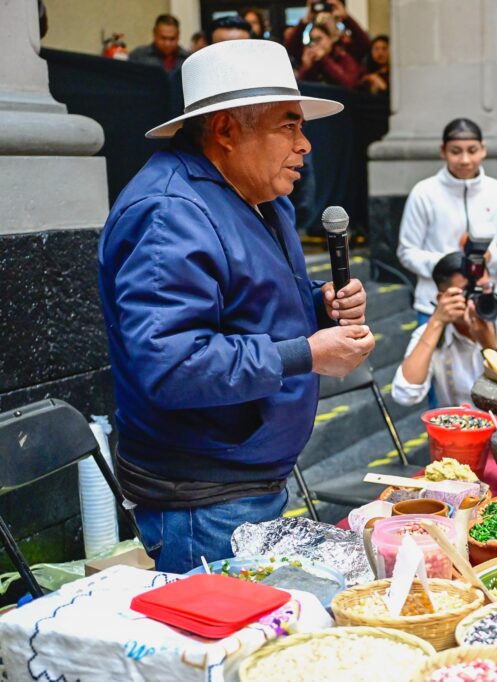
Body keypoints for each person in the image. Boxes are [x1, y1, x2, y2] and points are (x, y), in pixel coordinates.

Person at [98, 40, 373, 574]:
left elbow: (246, 304)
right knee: (222, 650)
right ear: (225, 131)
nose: (306, 145)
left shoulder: (257, 197)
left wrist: (319, 304)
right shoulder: (169, 213)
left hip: (245, 480)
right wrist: (306, 354)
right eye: (288, 126)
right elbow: (172, 363)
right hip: (205, 500)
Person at [398, 118, 497, 328]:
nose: (465, 159)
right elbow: (407, 252)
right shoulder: (424, 193)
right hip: (436, 305)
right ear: (443, 151)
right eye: (455, 151)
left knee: (492, 359)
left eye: (472, 150)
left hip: (489, 303)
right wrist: (451, 265)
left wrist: (490, 258)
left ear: (483, 150)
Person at [392, 253, 497, 407]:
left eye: (484, 288)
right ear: (443, 299)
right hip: (460, 429)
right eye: (469, 292)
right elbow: (405, 395)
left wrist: (490, 346)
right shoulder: (431, 332)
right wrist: (436, 322)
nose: (479, 298)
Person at [296, 15, 364, 89]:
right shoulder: (313, 60)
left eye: (319, 39)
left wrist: (324, 59)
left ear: (330, 39)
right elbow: (300, 88)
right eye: (312, 40)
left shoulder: (342, 55)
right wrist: (306, 68)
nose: (315, 44)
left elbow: (349, 84)